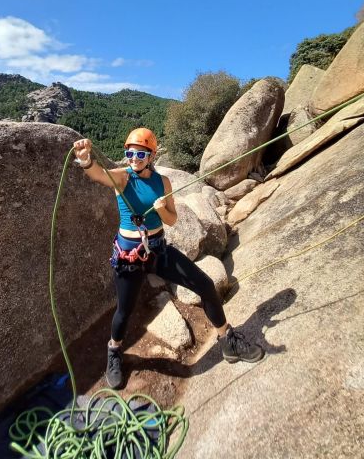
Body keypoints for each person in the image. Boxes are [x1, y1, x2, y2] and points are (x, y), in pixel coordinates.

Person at [73, 127, 264, 389]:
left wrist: (162, 210)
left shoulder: (163, 182)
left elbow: (172, 220)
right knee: (125, 311)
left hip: (158, 250)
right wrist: (85, 158)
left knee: (206, 286)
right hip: (130, 256)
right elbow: (96, 174)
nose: (134, 158)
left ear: (151, 155)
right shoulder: (122, 178)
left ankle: (227, 340)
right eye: (130, 152)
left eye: (141, 153)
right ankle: (114, 350)